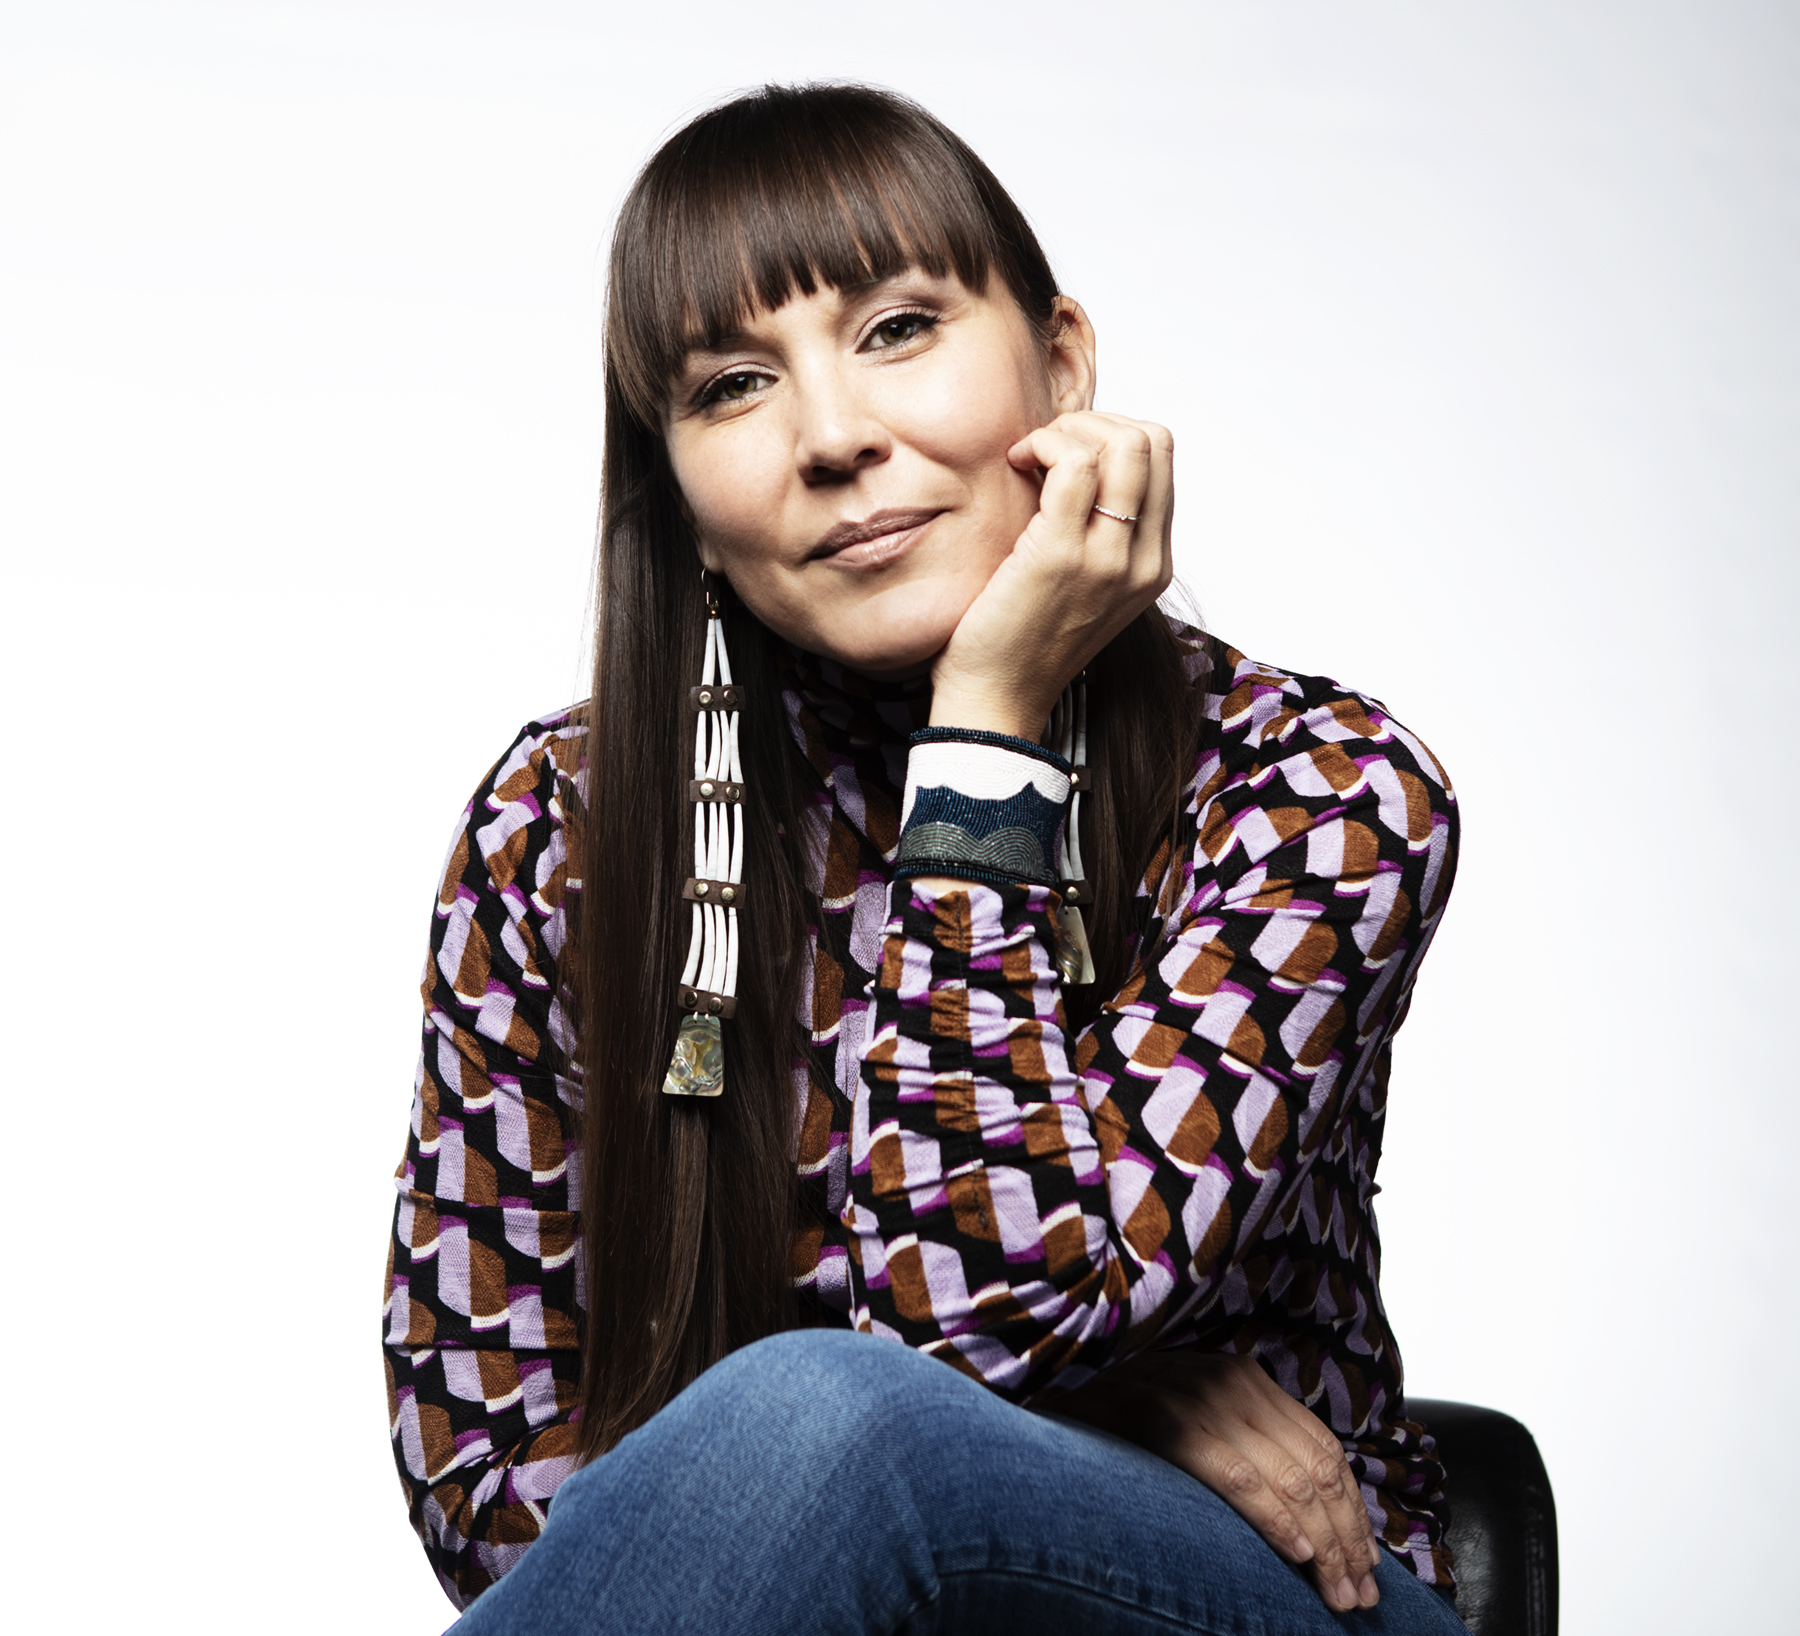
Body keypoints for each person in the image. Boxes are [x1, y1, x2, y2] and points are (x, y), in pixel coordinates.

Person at [383, 83, 1466, 1635]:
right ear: (679, 494)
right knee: (821, 1425)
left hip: (1275, 1595)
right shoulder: (561, 826)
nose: (835, 439)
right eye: (735, 385)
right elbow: (487, 1488)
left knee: (829, 1420)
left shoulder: (1320, 790)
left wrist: (985, 738)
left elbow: (971, 1322)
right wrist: (1129, 1394)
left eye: (898, 330)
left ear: (1064, 364)